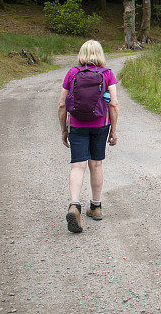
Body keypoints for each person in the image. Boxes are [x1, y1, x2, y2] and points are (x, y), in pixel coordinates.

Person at [58, 40, 119, 233]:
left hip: (77, 125)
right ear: (100, 54)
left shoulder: (72, 73)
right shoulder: (107, 74)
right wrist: (113, 130)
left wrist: (64, 129)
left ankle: (74, 205)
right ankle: (96, 206)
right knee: (96, 164)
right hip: (100, 125)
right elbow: (114, 104)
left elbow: (61, 105)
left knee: (78, 166)